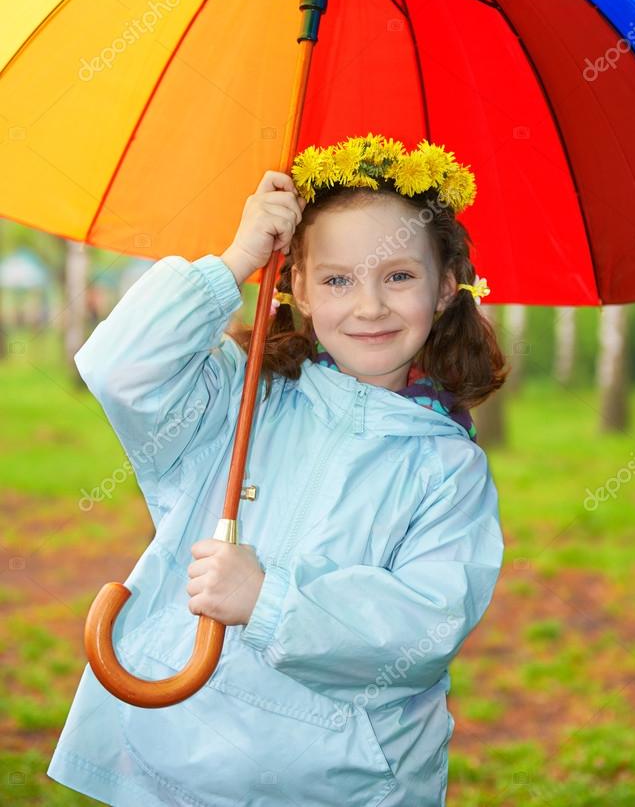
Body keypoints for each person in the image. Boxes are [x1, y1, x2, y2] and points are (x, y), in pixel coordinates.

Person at [47, 133, 509, 807]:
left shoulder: (447, 467)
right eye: (336, 278)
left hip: (342, 786)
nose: (369, 305)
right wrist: (233, 261)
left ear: (443, 288)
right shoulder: (237, 397)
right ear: (295, 284)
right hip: (171, 763)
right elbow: (121, 367)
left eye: (398, 276)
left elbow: (424, 628)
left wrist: (268, 602)